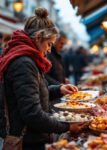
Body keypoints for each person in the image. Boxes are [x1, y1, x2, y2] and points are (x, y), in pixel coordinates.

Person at [0, 7, 83, 150]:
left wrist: (59, 89)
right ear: (38, 38)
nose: (50, 49)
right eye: (49, 44)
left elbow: (35, 93)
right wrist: (67, 126)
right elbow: (32, 114)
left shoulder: (28, 59)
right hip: (27, 141)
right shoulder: (24, 63)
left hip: (33, 137)